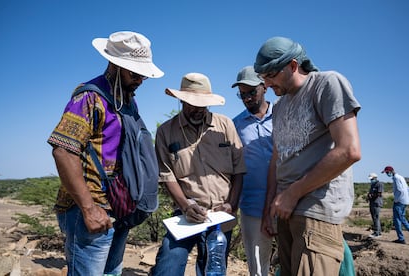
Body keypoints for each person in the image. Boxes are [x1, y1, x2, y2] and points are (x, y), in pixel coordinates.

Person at [47, 31, 163, 275]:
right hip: (91, 209)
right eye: (135, 73)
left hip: (118, 206)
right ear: (115, 64)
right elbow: (63, 152)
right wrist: (89, 209)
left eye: (143, 74)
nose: (140, 79)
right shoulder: (89, 97)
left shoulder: (126, 100)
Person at [255, 36, 361, 275]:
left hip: (316, 213)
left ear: (293, 65)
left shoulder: (327, 84)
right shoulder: (280, 107)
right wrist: (271, 205)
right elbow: (277, 158)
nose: (268, 84)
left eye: (271, 75)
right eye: (263, 78)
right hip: (284, 210)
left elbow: (349, 150)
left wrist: (293, 193)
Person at [150, 72, 246, 276]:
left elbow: (239, 170)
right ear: (181, 100)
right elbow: (167, 175)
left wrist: (232, 204)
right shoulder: (166, 132)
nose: (197, 109)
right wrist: (186, 206)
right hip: (186, 215)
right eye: (192, 103)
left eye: (202, 104)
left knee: (212, 268)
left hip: (221, 215)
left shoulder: (225, 125)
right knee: (168, 266)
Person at [231, 66, 275, 276]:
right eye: (242, 94)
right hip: (252, 205)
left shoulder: (284, 115)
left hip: (287, 202)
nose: (247, 98)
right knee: (258, 266)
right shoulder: (235, 125)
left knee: (293, 260)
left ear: (264, 87)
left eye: (251, 92)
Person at [382, 166, 409, 244]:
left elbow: (400, 190)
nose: (387, 174)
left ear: (391, 171)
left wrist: (397, 200)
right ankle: (400, 238)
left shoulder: (396, 178)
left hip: (399, 202)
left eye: (387, 172)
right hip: (404, 201)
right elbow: (407, 188)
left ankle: (401, 238)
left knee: (400, 220)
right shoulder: (401, 177)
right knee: (400, 219)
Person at [367, 172, 384, 238]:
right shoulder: (372, 185)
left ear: (375, 178)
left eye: (372, 179)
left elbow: (379, 193)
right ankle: (376, 231)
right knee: (374, 218)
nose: (371, 180)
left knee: (376, 217)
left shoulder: (379, 184)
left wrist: (372, 195)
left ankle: (377, 233)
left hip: (376, 203)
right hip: (372, 203)